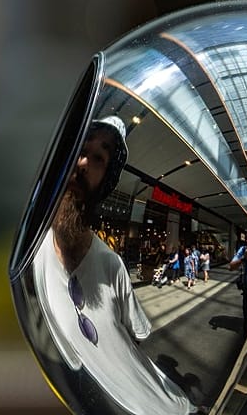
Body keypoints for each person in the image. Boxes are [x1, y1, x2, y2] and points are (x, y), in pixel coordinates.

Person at [34, 116, 195, 415]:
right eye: (81, 150)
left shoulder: (112, 265)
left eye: (98, 158)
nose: (83, 163)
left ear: (105, 180)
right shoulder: (34, 246)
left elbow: (136, 335)